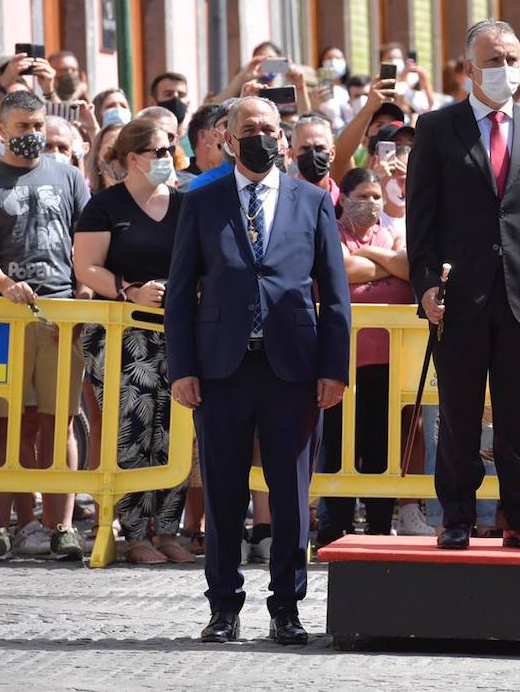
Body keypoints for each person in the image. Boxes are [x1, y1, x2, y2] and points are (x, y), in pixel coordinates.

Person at [166, 95, 351, 645]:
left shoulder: (312, 201)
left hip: (292, 369)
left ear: (285, 138)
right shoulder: (201, 201)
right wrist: (183, 367)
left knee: (291, 494)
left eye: (271, 129)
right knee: (223, 492)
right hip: (222, 369)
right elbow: (179, 294)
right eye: (251, 129)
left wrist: (334, 368)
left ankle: (287, 608)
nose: (263, 138)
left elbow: (335, 295)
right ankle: (223, 607)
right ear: (227, 137)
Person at [405, 19, 520, 552]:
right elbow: (422, 218)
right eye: (494, 58)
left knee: (517, 414)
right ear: (468, 69)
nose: (505, 68)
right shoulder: (438, 128)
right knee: (458, 411)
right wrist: (426, 284)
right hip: (460, 294)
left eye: (512, 57)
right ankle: (456, 514)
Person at [0, 90, 90, 561]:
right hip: (3, 317)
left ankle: (64, 527)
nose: (33, 135)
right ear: (1, 130)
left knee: (61, 423)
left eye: (38, 126)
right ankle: (6, 525)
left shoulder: (70, 176)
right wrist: (0, 284)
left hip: (61, 315)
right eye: (22, 128)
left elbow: (86, 241)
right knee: (9, 426)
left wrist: (84, 294)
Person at [73, 118, 192, 564]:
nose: (168, 158)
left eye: (170, 150)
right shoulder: (105, 207)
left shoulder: (186, 204)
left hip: (178, 332)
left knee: (177, 428)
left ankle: (167, 530)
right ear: (134, 158)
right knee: (134, 430)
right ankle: (134, 530)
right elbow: (87, 266)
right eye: (160, 151)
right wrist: (129, 290)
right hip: (123, 335)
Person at [320, 167, 421, 544]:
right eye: (362, 196)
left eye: (377, 196)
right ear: (343, 199)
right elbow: (338, 269)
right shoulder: (330, 231)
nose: (371, 203)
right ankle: (336, 526)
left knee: (380, 446)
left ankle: (379, 526)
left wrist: (369, 254)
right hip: (341, 361)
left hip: (387, 363)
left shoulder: (392, 232)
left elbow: (409, 268)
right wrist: (388, 266)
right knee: (338, 446)